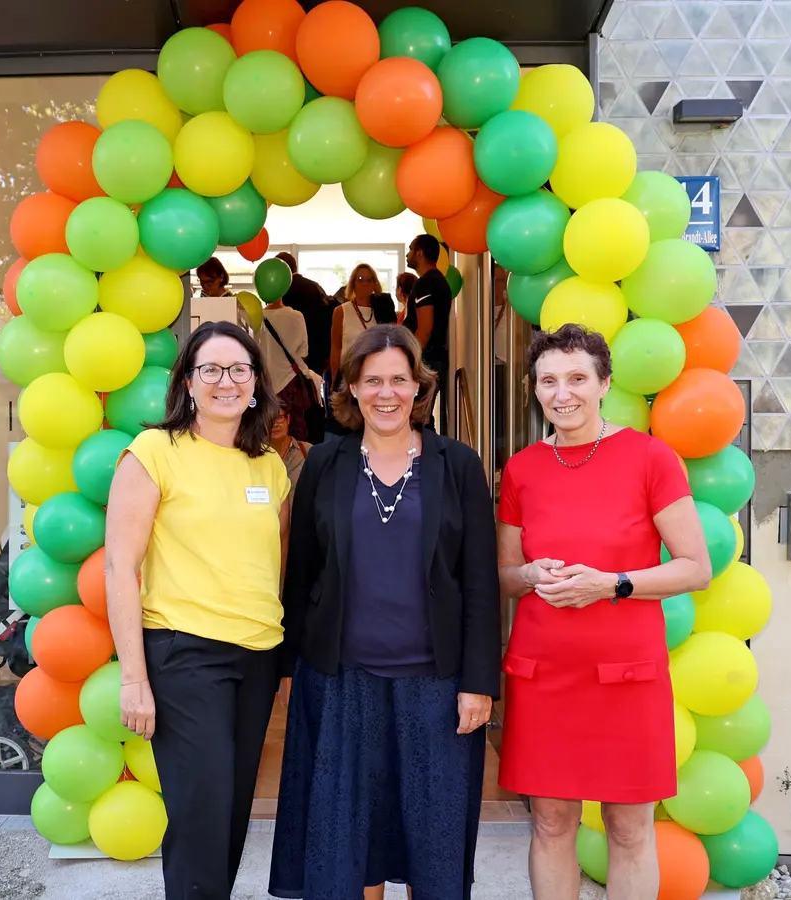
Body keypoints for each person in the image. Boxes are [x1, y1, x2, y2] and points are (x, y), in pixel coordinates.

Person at [270, 324, 502, 900]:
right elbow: (300, 575)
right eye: (372, 380)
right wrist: (289, 672)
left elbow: (478, 582)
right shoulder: (325, 463)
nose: (387, 393)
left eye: (400, 379)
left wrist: (479, 684)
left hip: (438, 683)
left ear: (419, 388)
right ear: (350, 387)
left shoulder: (459, 465)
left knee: (434, 842)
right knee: (350, 841)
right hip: (341, 682)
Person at [495, 324, 712, 900]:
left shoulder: (650, 458)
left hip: (627, 676)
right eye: (547, 381)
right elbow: (505, 577)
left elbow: (695, 566)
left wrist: (611, 584)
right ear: (533, 389)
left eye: (576, 378)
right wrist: (531, 576)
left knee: (629, 826)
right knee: (550, 822)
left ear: (603, 384)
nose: (561, 393)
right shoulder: (521, 469)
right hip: (543, 674)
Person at [105, 320, 292, 900]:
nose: (226, 381)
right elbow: (119, 568)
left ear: (257, 384)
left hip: (257, 657)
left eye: (239, 369)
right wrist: (135, 677)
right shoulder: (153, 452)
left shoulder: (269, 467)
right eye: (210, 369)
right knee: (202, 808)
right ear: (188, 382)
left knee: (233, 809)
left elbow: (273, 564)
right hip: (185, 657)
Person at [257, 290, 324, 442]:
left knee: (267, 432)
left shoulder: (256, 316)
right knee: (294, 431)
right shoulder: (296, 316)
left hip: (265, 384)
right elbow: (303, 353)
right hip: (291, 382)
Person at [404, 235, 454, 434]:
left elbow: (425, 328)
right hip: (433, 357)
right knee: (421, 415)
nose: (408, 255)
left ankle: (424, 460)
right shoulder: (439, 281)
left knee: (417, 417)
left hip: (426, 358)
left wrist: (410, 361)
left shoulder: (426, 283)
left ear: (419, 253)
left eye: (410, 249)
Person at [273, 251, 335, 379]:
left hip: (289, 356)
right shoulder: (314, 287)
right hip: (317, 352)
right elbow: (326, 320)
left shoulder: (282, 291)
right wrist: (327, 354)